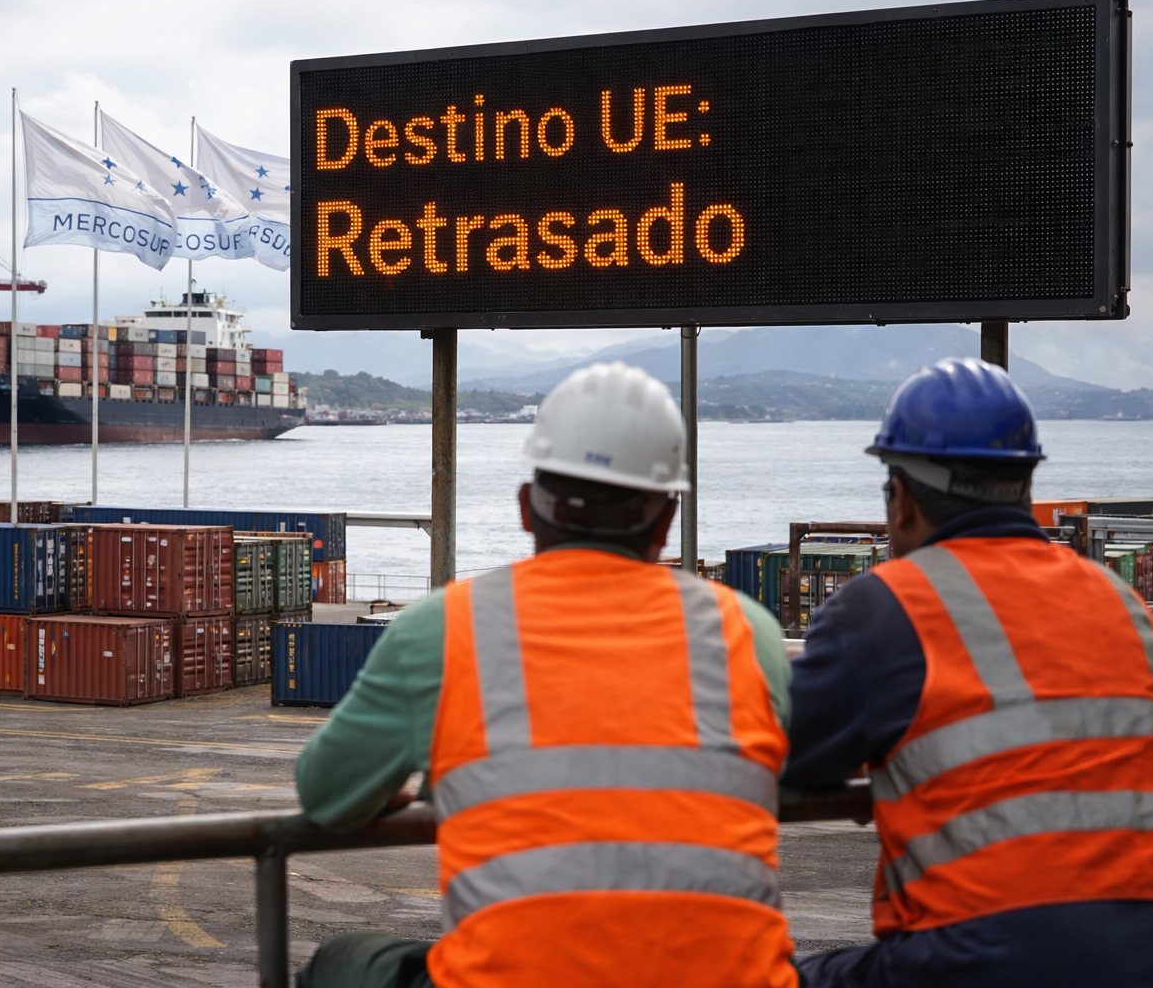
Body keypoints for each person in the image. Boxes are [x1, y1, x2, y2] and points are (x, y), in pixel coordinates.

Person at [294, 361, 800, 988]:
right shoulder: (749, 632)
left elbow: (325, 793)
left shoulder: (444, 629)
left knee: (340, 963)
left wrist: (430, 790)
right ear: (666, 522)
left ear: (527, 509)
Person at [784, 357, 1153, 987]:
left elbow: (780, 757)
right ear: (1026, 488)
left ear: (900, 500)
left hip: (972, 961)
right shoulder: (1122, 603)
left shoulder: (885, 607)